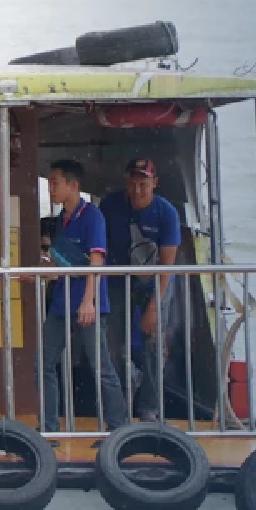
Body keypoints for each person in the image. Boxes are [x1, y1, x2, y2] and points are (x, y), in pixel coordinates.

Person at [39, 159, 128, 433]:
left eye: (55, 183)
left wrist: (89, 300)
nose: (51, 188)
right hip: (60, 304)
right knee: (43, 364)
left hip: (86, 303)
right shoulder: (61, 220)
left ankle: (119, 429)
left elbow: (95, 260)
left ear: (73, 185)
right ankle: (49, 428)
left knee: (101, 368)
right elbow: (60, 264)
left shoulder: (92, 216)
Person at [98, 157, 181, 422]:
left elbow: (167, 265)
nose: (137, 189)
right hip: (117, 282)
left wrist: (154, 305)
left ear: (154, 183)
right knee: (112, 345)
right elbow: (98, 245)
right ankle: (120, 403)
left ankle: (149, 408)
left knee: (153, 346)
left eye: (143, 183)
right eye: (132, 183)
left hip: (155, 282)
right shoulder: (110, 205)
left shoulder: (167, 213)